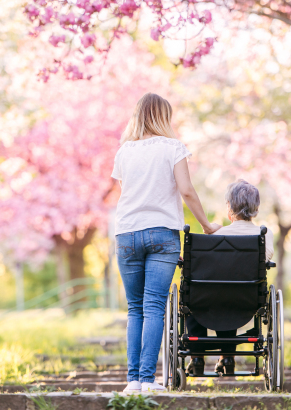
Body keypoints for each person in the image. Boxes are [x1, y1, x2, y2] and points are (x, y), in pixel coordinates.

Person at [112, 93, 220, 393]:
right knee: (153, 307)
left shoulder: (124, 152)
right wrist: (207, 224)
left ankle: (132, 381)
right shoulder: (173, 147)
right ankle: (148, 379)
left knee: (135, 309)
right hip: (162, 234)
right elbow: (186, 190)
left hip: (127, 234)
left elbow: (128, 192)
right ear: (163, 117)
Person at [186, 179, 274, 376]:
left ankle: (197, 357)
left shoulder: (214, 236)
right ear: (256, 209)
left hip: (208, 300)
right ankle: (227, 357)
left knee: (199, 294)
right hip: (246, 300)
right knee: (230, 294)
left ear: (229, 208)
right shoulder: (264, 236)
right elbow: (266, 257)